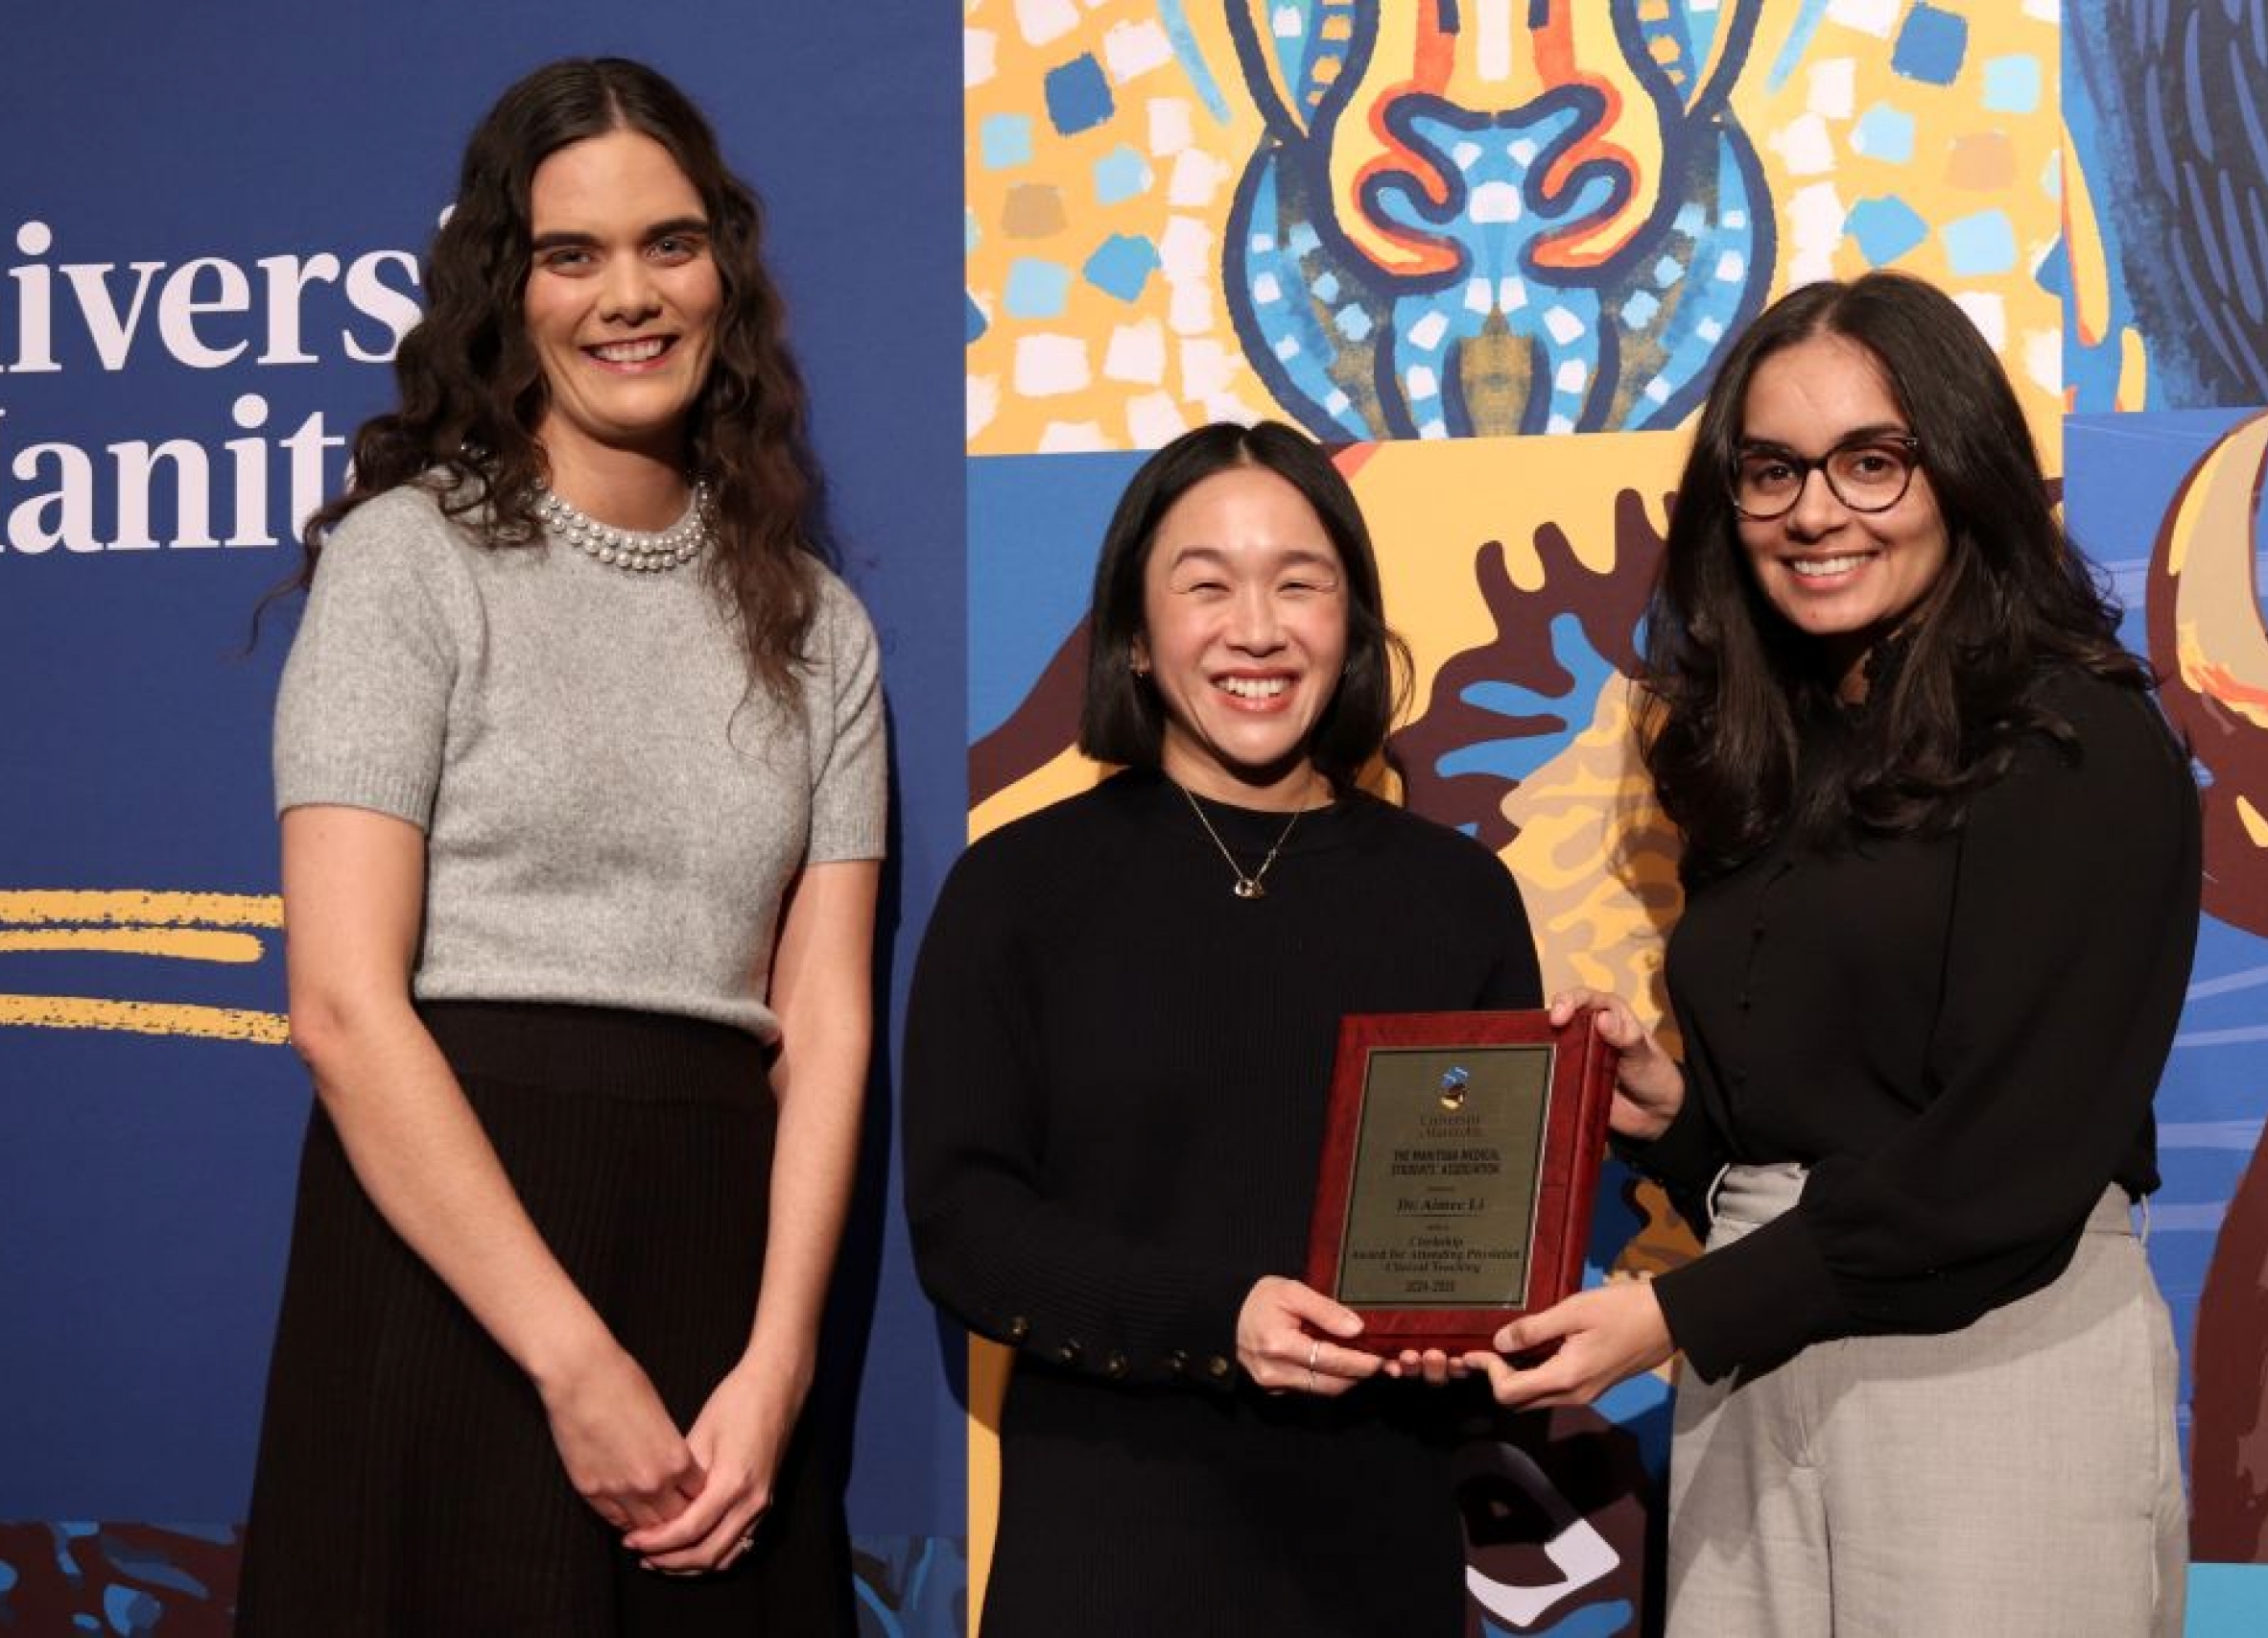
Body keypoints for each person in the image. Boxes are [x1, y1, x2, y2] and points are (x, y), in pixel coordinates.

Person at [236, 58, 883, 1636]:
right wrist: (572, 1359)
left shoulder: (821, 628)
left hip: (720, 1284)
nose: (630, 296)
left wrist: (778, 1364)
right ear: (503, 289)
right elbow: (341, 1002)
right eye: (571, 254)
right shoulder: (409, 563)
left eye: (669, 243)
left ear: (724, 266)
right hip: (453, 1279)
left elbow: (830, 1016)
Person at [1470, 272, 2199, 1636]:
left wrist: (1674, 1313)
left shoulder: (2074, 742)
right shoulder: (1765, 754)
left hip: (1998, 1354)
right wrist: (1680, 1122)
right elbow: (1825, 1119)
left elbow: (2003, 1159)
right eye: (1773, 470)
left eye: (1873, 461)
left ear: (1962, 470)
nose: (1816, 511)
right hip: (1764, 1362)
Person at [901, 420, 1542, 1636]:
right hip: (1105, 1543)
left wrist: (1457, 1338)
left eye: (1300, 582)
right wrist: (1220, 1320)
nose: (1257, 628)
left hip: (1370, 1544)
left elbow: (1478, 1243)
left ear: (1350, 620)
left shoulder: (1454, 896)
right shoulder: (1018, 889)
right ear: (1136, 638)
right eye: (1207, 586)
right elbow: (965, 1226)